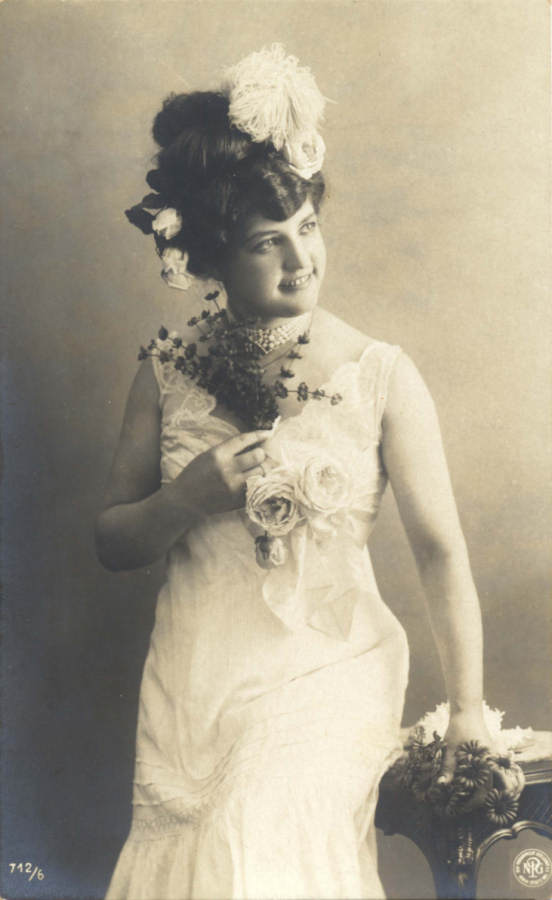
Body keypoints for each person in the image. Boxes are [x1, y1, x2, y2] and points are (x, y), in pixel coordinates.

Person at [97, 45, 495, 900]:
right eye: (266, 243)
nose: (300, 259)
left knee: (253, 831)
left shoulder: (381, 374)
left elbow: (440, 551)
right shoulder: (167, 371)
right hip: (194, 684)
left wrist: (467, 708)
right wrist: (185, 500)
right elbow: (114, 541)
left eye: (308, 228)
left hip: (328, 675)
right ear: (212, 259)